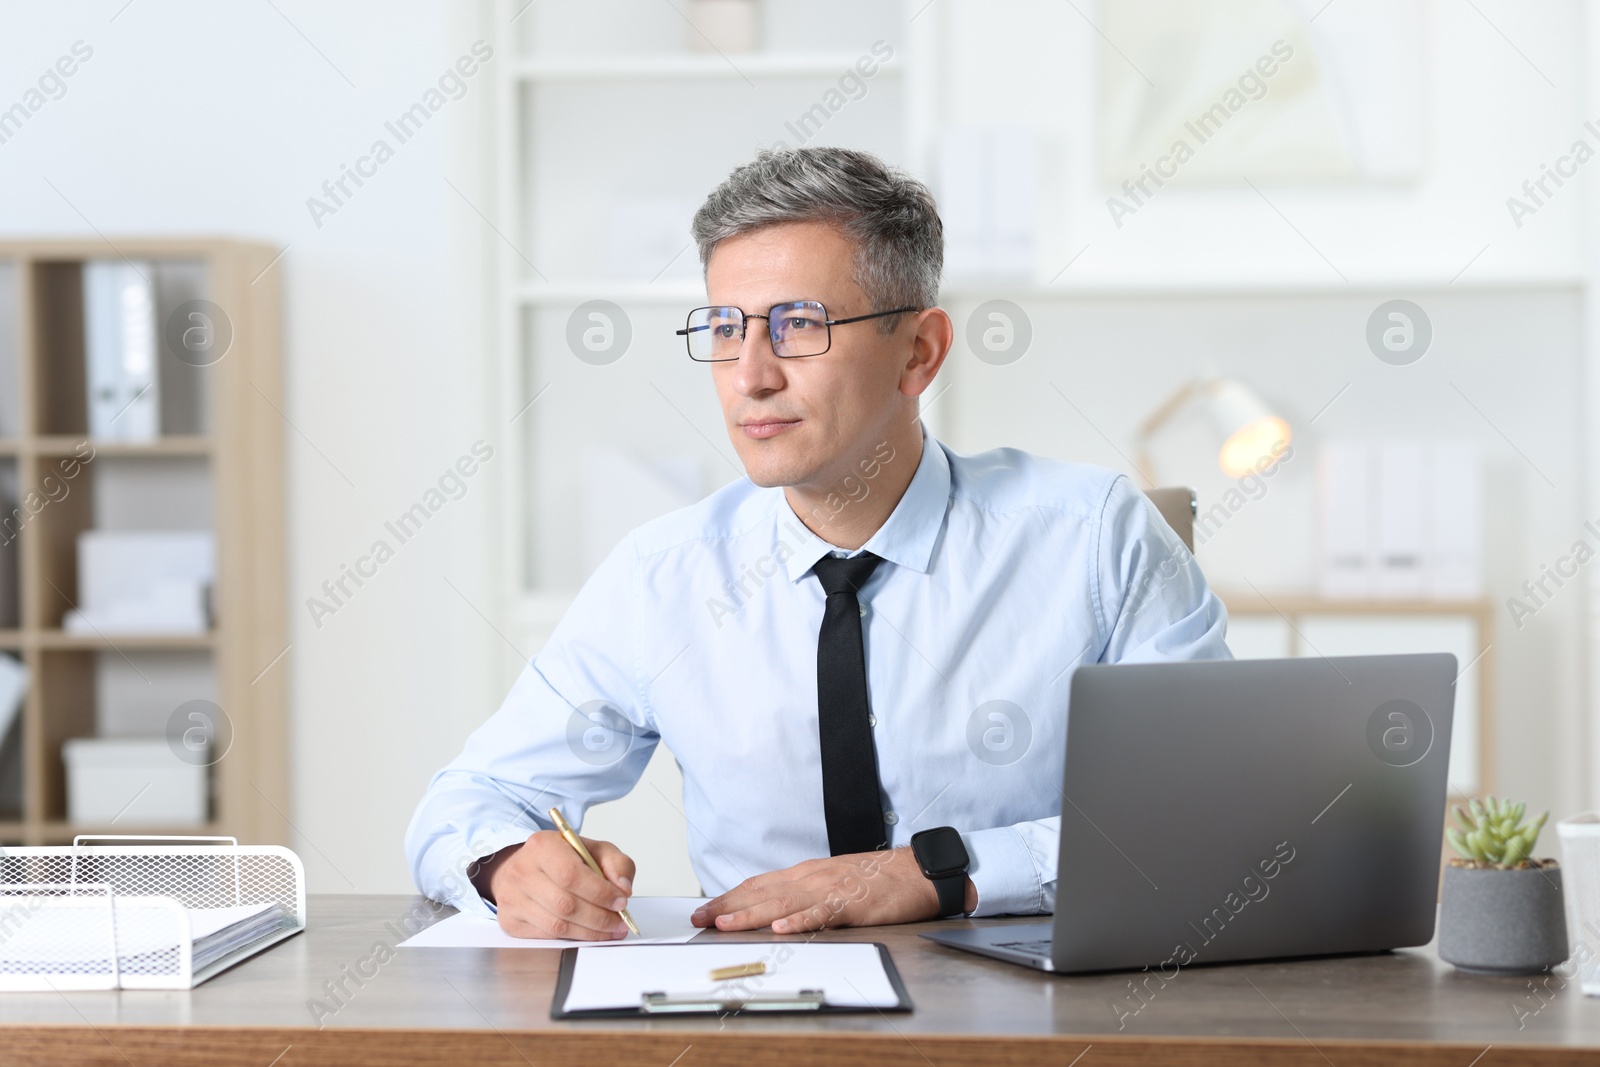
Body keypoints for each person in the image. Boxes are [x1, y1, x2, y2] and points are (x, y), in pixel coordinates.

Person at [405, 146, 1230, 941]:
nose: (751, 374)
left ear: (919, 351)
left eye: (798, 325)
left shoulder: (1092, 537)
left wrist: (939, 872)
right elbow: (467, 800)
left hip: (1034, 1012)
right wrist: (507, 863)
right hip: (753, 1016)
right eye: (726, 328)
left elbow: (1210, 809)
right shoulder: (664, 577)